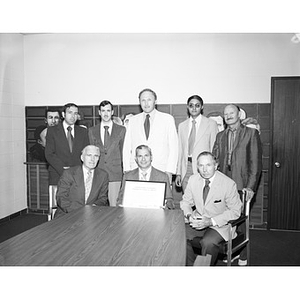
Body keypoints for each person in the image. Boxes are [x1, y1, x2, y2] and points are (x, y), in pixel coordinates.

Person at [212, 104, 262, 266]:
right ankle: (232, 250)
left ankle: (243, 254)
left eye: (231, 113)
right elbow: (215, 160)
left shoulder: (251, 133)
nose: (228, 116)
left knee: (240, 221)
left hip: (243, 185)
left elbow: (255, 164)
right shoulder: (220, 136)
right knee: (227, 221)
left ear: (239, 114)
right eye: (225, 114)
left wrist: (251, 187)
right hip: (223, 186)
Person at [180, 151, 242, 266]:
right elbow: (185, 202)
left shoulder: (228, 183)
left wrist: (210, 221)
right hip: (198, 220)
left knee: (208, 242)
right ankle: (192, 266)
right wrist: (189, 216)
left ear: (216, 165)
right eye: (201, 165)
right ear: (197, 167)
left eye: (208, 165)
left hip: (220, 225)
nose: (204, 169)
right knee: (179, 235)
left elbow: (235, 211)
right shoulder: (193, 180)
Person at [122, 88, 178, 184]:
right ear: (139, 102)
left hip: (161, 170)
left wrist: (170, 171)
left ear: (155, 101)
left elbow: (174, 147)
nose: (146, 103)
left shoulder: (167, 119)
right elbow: (127, 147)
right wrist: (127, 169)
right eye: (143, 100)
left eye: (149, 100)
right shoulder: (132, 121)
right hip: (136, 171)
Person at [175, 95, 218, 192]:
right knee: (187, 201)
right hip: (186, 168)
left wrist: (213, 170)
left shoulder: (211, 124)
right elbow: (180, 151)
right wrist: (178, 173)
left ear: (202, 107)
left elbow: (214, 149)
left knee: (202, 200)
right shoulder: (182, 126)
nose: (194, 108)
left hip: (203, 167)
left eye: (197, 105)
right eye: (191, 105)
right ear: (187, 107)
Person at [88, 100, 126, 206]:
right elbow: (92, 153)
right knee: (96, 207)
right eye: (103, 111)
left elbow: (124, 152)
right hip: (98, 173)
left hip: (115, 174)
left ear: (112, 112)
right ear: (99, 112)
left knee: (115, 206)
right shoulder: (92, 131)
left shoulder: (121, 130)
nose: (106, 113)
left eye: (108, 110)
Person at [54, 145, 109, 218]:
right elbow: (61, 197)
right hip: (67, 215)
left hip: (91, 216)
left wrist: (93, 208)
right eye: (89, 155)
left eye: (96, 156)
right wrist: (80, 212)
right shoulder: (69, 173)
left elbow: (103, 198)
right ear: (82, 158)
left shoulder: (103, 175)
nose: (92, 159)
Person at [117, 145, 175, 209]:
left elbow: (170, 200)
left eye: (146, 155)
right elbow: (120, 199)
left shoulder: (163, 177)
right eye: (140, 156)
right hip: (132, 214)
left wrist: (167, 206)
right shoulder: (128, 176)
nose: (143, 159)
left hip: (156, 215)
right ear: (136, 159)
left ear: (151, 157)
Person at [45, 103, 89, 185]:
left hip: (78, 176)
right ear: (63, 114)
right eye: (70, 112)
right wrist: (63, 169)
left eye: (75, 113)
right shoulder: (52, 131)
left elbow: (86, 153)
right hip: (58, 174)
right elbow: (49, 154)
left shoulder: (83, 131)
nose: (73, 116)